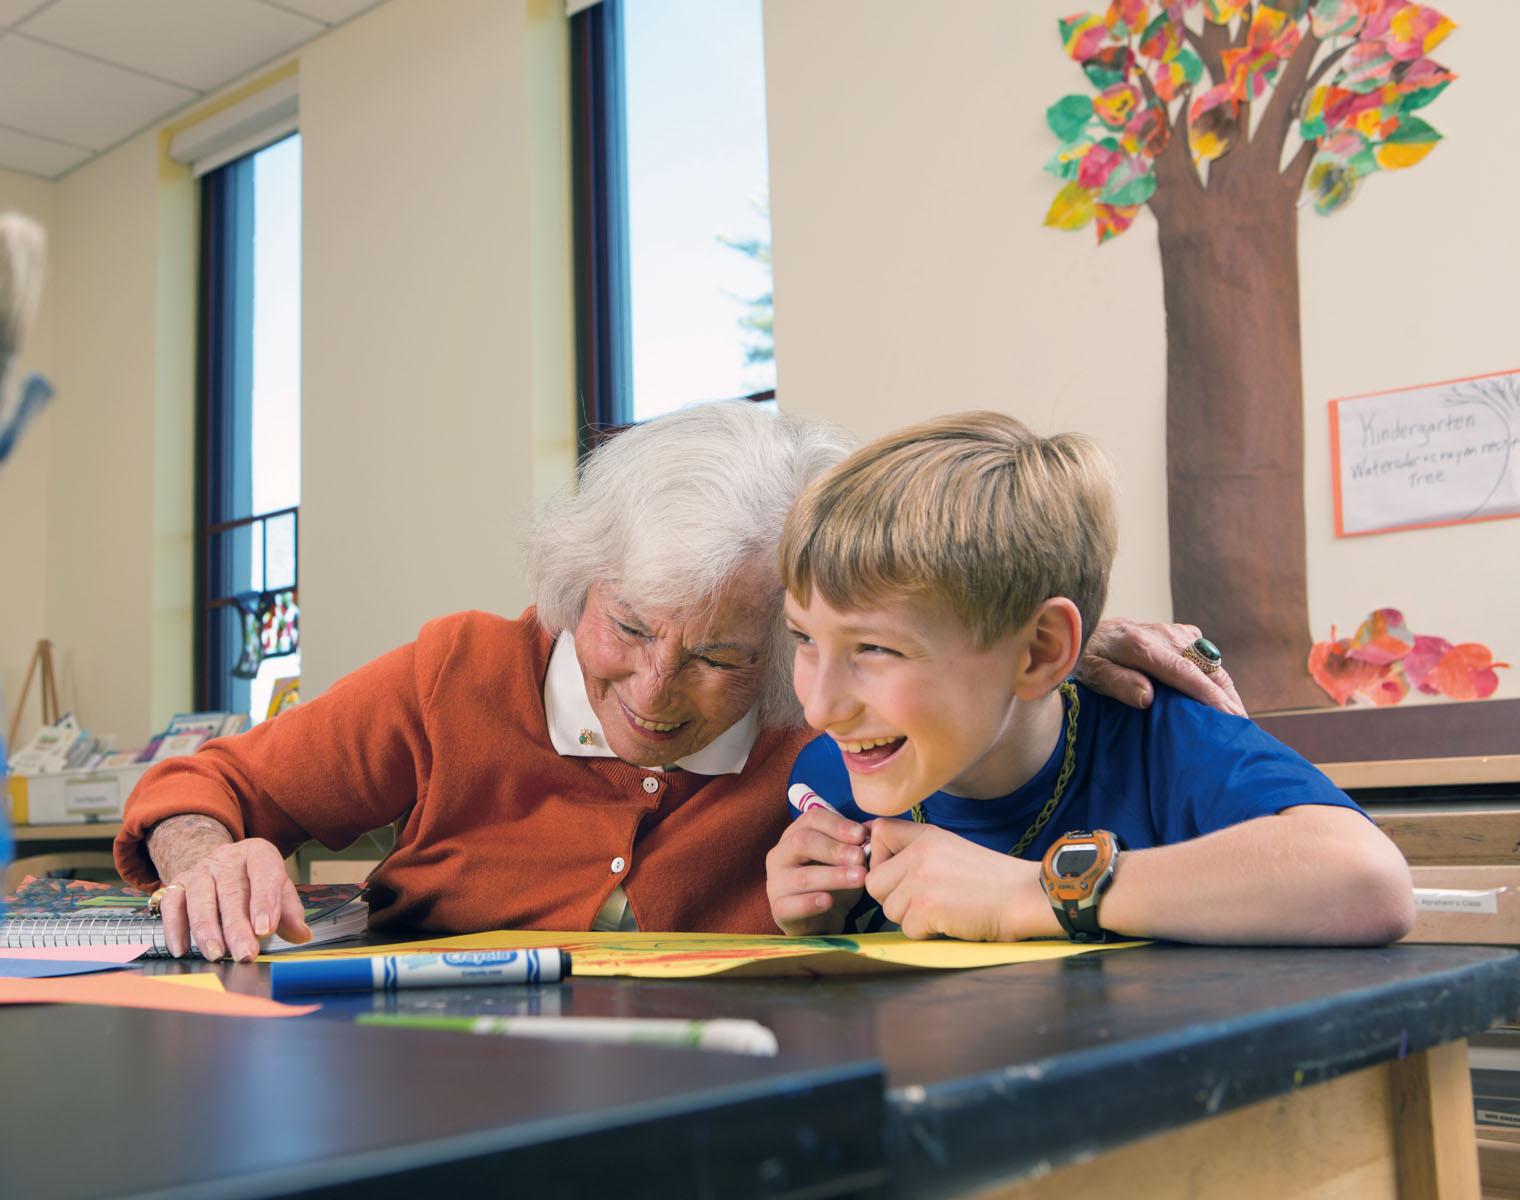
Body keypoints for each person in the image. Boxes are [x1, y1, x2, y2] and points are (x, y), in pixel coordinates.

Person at [114, 402, 1247, 961]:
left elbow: (943, 582)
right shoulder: (460, 670)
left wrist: (1020, 666)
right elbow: (193, 787)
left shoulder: (827, 724)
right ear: (578, 583)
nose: (655, 690)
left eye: (720, 657)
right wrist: (212, 861)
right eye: (628, 627)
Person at [766, 412, 1413, 945]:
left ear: (1041, 652)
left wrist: (1032, 894)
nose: (820, 709)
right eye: (804, 640)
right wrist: (821, 919)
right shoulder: (833, 777)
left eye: (876, 649)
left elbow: (1368, 878)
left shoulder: (1159, 739)